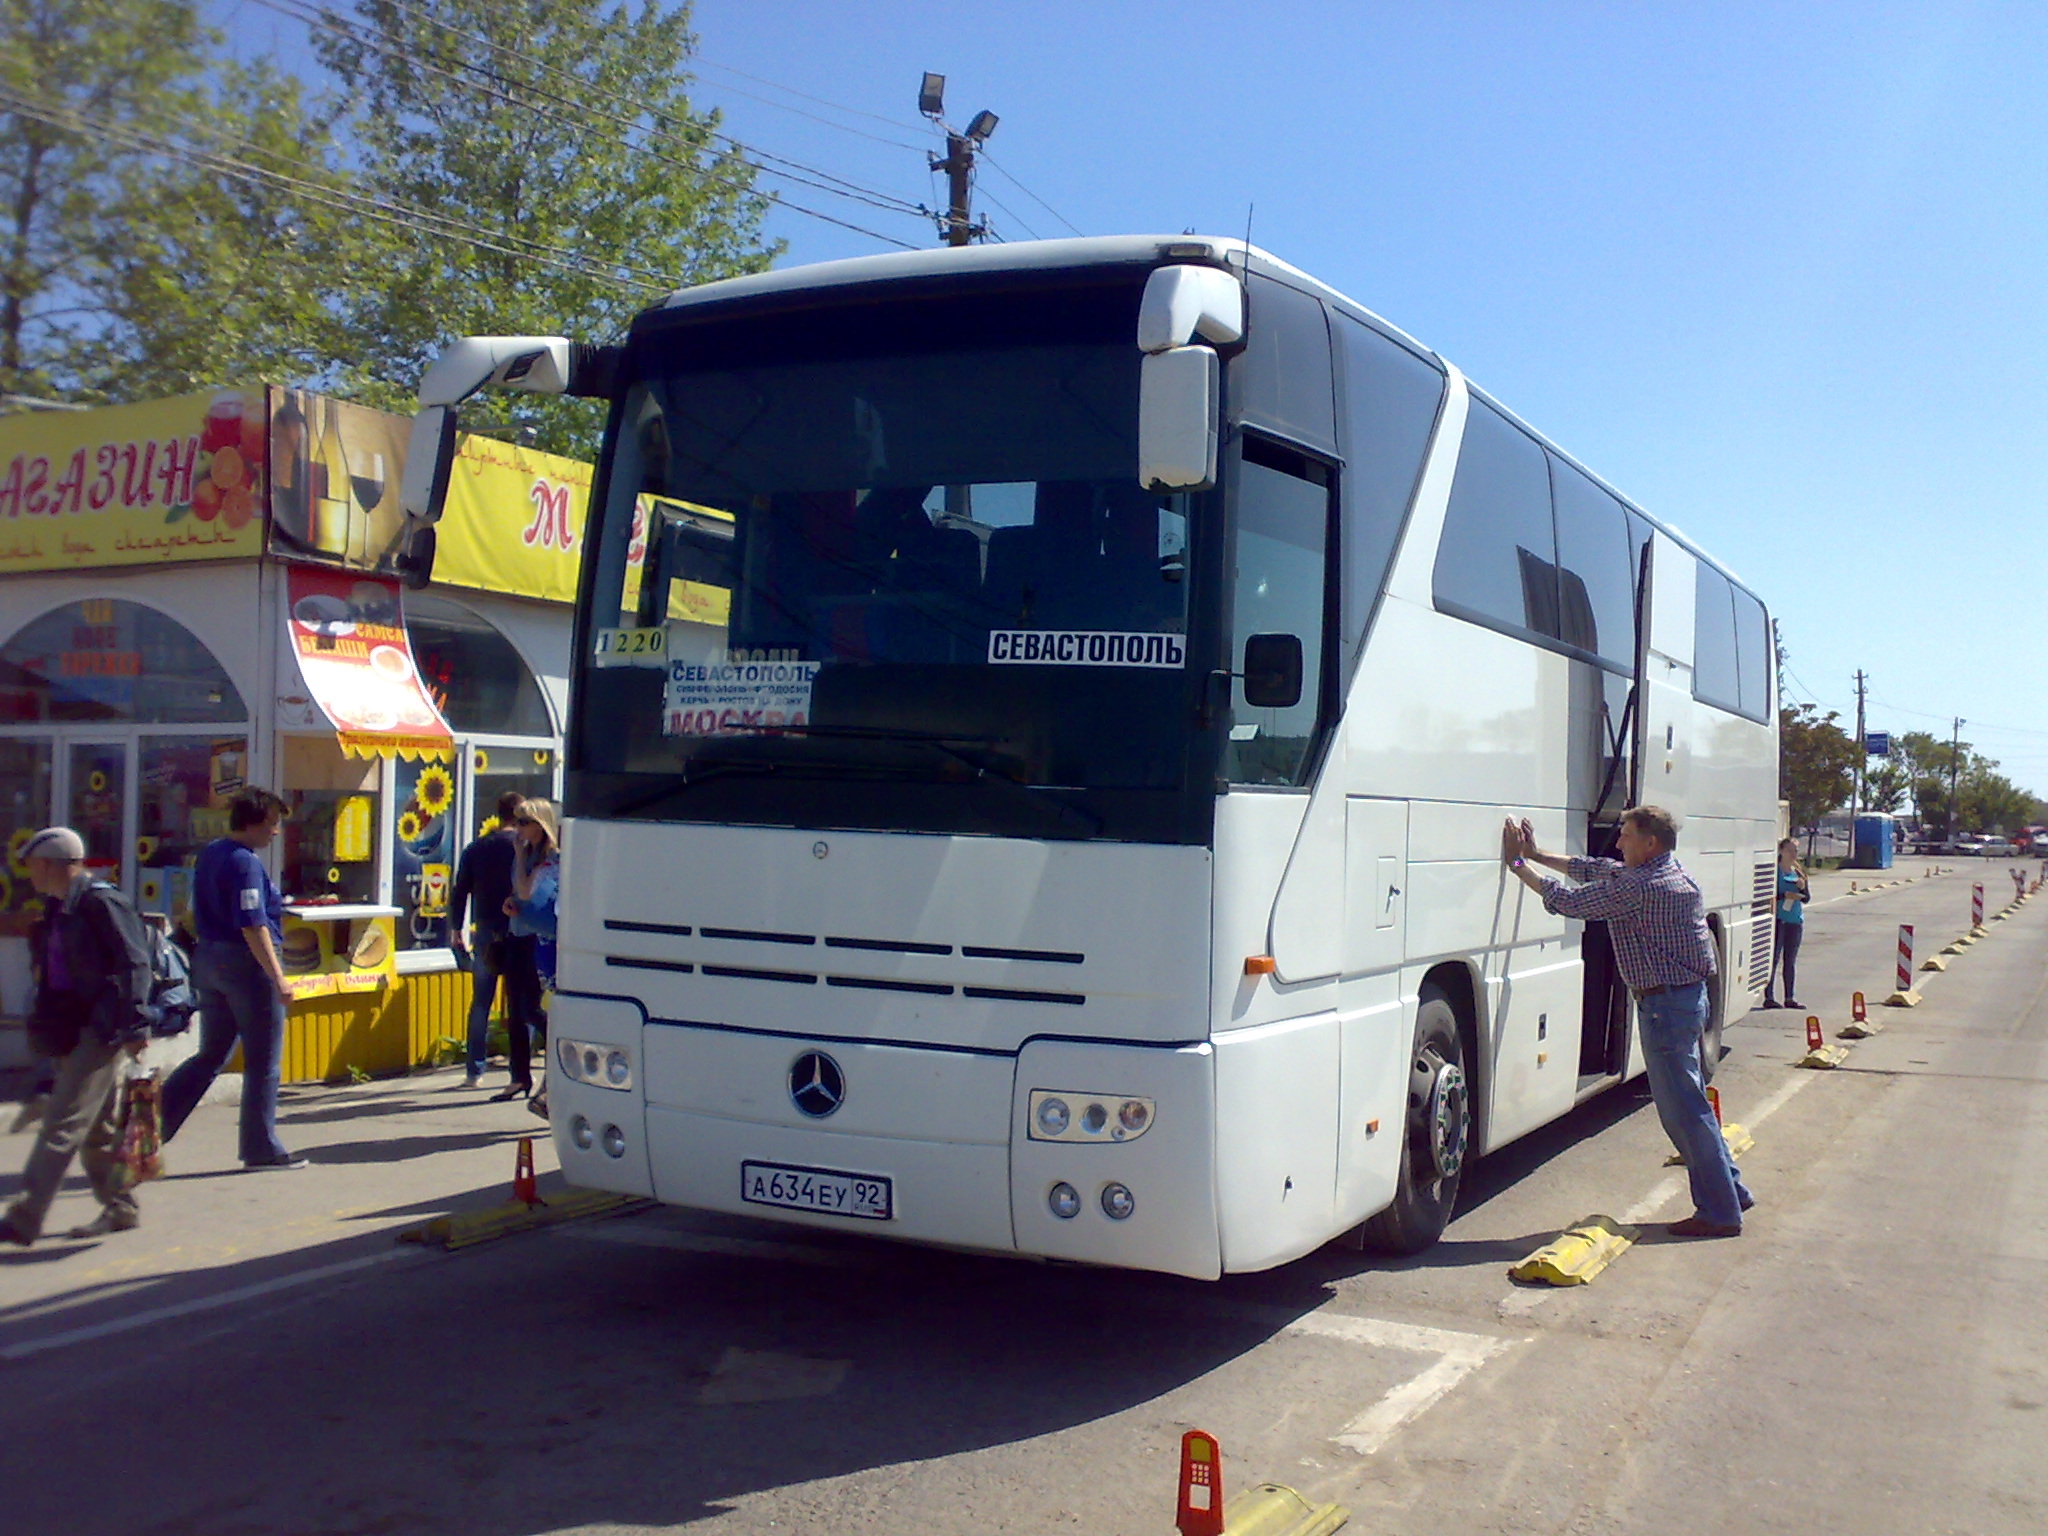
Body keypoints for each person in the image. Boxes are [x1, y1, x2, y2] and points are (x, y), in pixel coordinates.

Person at [1504, 806, 1754, 1239]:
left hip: (1666, 1007)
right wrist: (1538, 852)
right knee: (1692, 1104)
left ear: (1649, 843)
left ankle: (1719, 1212)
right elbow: (1595, 870)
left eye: (1625, 836)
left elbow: (1568, 901)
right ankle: (1731, 1191)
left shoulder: (1644, 887)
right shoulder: (1668, 871)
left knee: (1684, 1113)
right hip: (1683, 1001)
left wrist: (1518, 864)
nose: (1618, 844)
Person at [0, 828, 154, 1246]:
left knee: (63, 1122)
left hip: (99, 1027)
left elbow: (135, 964)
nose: (28, 871)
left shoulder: (100, 902)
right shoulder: (57, 907)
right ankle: (121, 1208)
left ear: (54, 865)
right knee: (96, 1130)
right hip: (72, 1026)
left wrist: (136, 1025)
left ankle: (25, 1217)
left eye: (34, 864)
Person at [160, 788, 307, 1171]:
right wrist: (279, 979)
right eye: (273, 825)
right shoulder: (244, 862)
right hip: (245, 965)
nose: (276, 833)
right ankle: (261, 1148)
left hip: (209, 959)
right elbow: (253, 924)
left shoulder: (212, 853)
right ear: (256, 823)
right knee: (263, 1061)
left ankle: (148, 1127)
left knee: (211, 1054)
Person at [448, 791, 525, 1090]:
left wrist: (456, 927)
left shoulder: (477, 848)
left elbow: (460, 890)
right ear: (518, 814)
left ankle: (474, 1071)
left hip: (485, 931)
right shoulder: (521, 848)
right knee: (519, 1001)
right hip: (518, 929)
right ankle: (519, 1069)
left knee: (481, 1002)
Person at [492, 798, 560, 1106]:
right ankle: (521, 1076)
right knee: (518, 1010)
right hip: (519, 936)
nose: (518, 829)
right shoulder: (527, 855)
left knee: (537, 1009)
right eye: (516, 821)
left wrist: (519, 860)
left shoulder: (553, 859)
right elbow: (519, 894)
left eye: (524, 822)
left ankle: (555, 1068)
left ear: (540, 825)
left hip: (544, 940)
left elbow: (527, 892)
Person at [1760, 837, 1809, 1009]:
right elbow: (1767, 895)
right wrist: (1784, 896)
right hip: (1778, 920)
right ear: (1781, 851)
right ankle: (1769, 997)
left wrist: (1802, 889)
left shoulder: (1799, 872)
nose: (1793, 854)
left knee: (1790, 961)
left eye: (1795, 850)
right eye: (1790, 850)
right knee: (1773, 960)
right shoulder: (1775, 872)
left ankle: (1790, 997)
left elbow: (1807, 899)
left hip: (1795, 920)